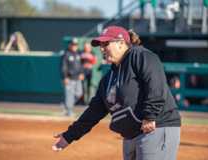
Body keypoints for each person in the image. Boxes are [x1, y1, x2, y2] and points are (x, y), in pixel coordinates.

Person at [53, 26, 181, 160]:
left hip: (155, 127)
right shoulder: (109, 78)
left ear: (121, 43)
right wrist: (70, 135)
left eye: (105, 44)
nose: (101, 49)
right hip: (131, 135)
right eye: (100, 45)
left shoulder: (140, 56)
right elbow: (93, 111)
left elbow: (156, 84)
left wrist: (150, 116)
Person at [61, 37, 84, 116]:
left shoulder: (79, 53)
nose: (74, 46)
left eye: (76, 45)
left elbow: (81, 65)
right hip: (69, 78)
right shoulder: (66, 54)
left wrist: (82, 73)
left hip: (77, 78)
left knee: (79, 93)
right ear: (70, 45)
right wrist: (65, 77)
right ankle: (69, 111)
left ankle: (66, 106)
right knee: (69, 95)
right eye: (73, 45)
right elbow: (63, 67)